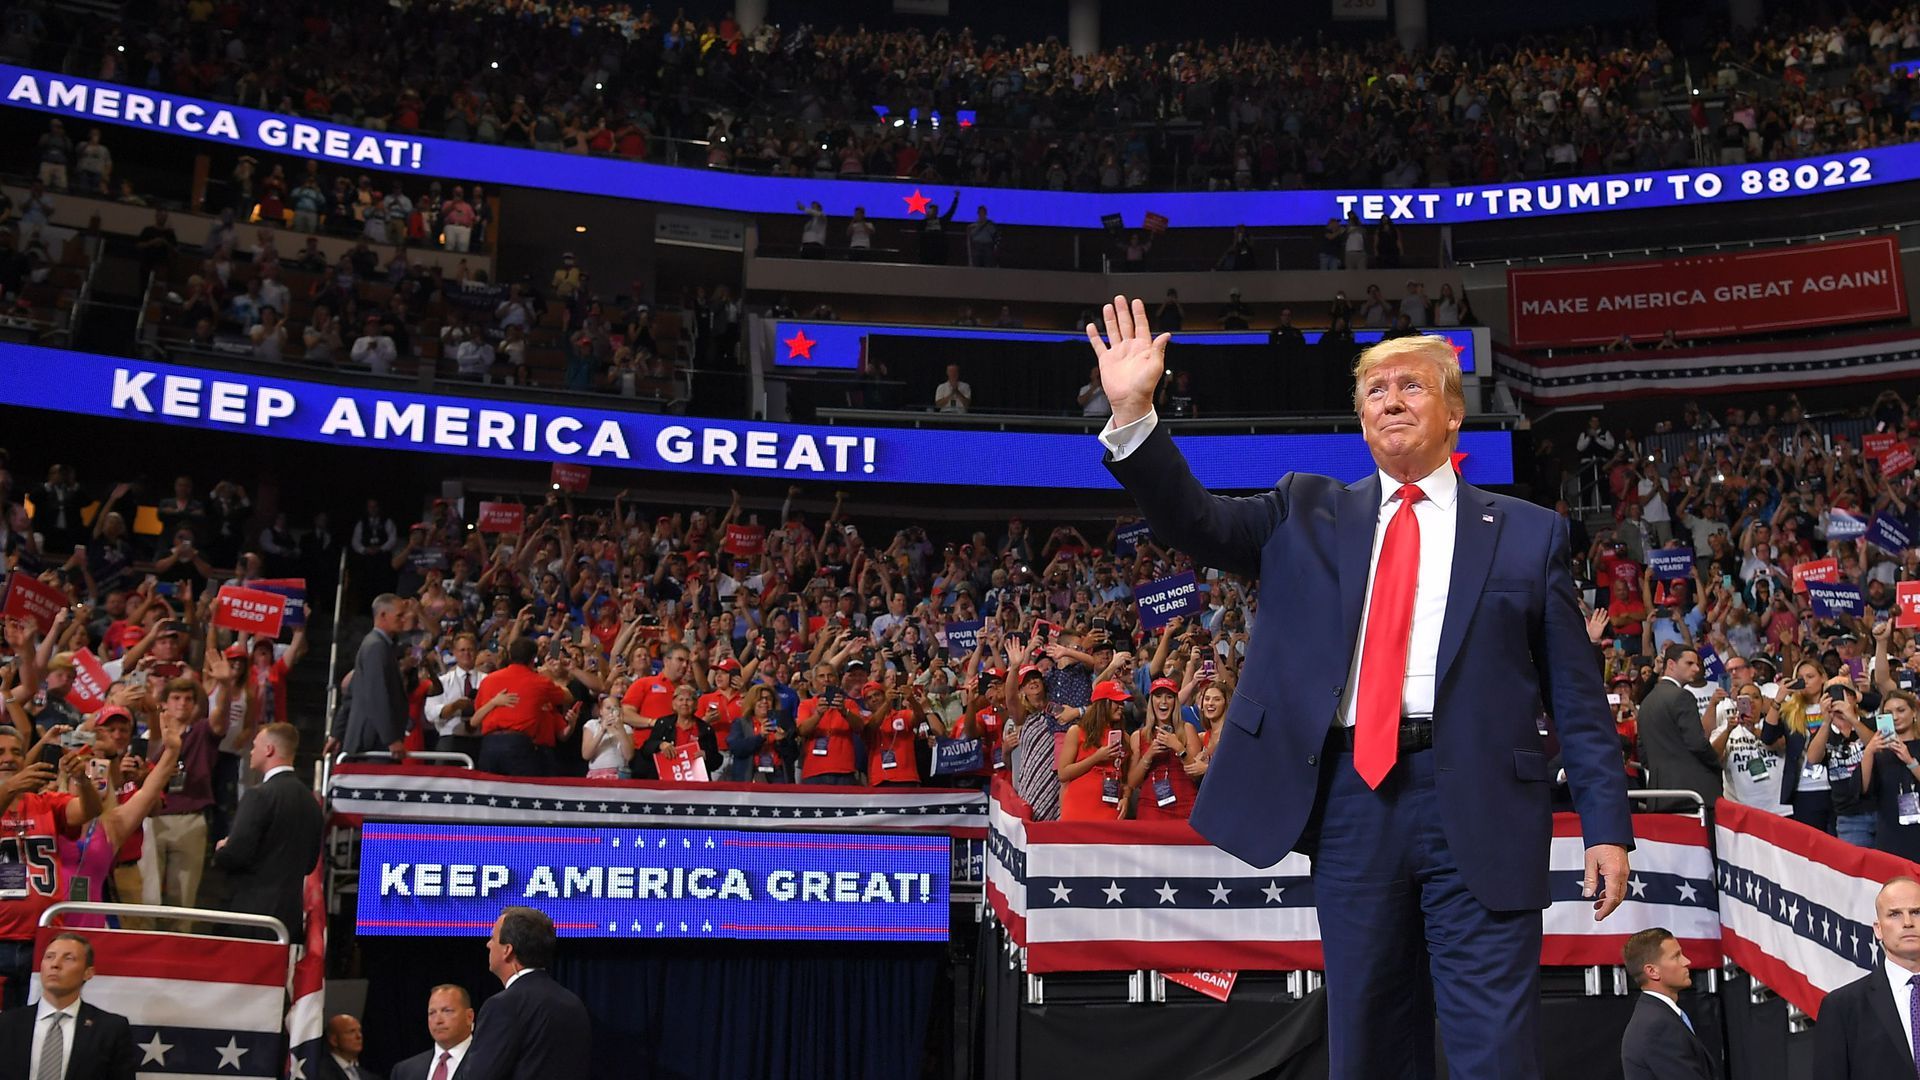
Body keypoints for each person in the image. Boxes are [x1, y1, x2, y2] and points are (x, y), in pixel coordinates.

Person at [1087, 297, 1631, 1079]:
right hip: (1352, 804)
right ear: (1361, 419)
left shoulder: (1528, 532)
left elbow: (1576, 696)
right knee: (1369, 1042)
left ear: (1453, 414)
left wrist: (1607, 826)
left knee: (1496, 1050)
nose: (1390, 400)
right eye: (1375, 390)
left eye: (1411, 385)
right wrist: (1136, 415)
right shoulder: (1304, 510)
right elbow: (1194, 523)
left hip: (1482, 801)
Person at [213, 723, 324, 940]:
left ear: (269, 750)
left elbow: (235, 855)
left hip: (250, 919)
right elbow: (310, 864)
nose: (251, 752)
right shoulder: (311, 803)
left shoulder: (259, 796)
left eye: (255, 746)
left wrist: (222, 848)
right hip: (288, 921)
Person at [459, 907, 591, 1080]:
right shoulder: (573, 1004)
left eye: (493, 938)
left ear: (507, 950)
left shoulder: (503, 1006)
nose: (488, 944)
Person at [1811, 876, 1920, 1077]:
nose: (1907, 922)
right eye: (1895, 914)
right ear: (1878, 929)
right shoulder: (1842, 1007)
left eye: (1916, 912)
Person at [0, 933, 138, 1080]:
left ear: (88, 973)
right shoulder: (6, 1024)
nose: (55, 964)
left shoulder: (111, 1029)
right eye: (49, 957)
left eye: (68, 958)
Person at [1618, 928, 1712, 1080]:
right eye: (1676, 956)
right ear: (1652, 971)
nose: (1687, 962)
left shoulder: (1656, 1017)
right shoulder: (1657, 1026)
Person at [1635, 645, 1723, 806]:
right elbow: (1697, 744)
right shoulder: (1683, 696)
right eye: (1689, 663)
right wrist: (1717, 762)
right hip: (1692, 794)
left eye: (1697, 664)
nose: (1696, 669)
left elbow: (1643, 754)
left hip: (1659, 797)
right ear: (1671, 664)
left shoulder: (1646, 702)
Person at [475, 637, 573, 777]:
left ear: (510, 655)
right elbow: (568, 697)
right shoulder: (540, 682)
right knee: (522, 789)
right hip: (518, 745)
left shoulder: (488, 680)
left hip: (488, 745)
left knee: (489, 789)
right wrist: (549, 676)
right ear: (533, 659)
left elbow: (477, 714)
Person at [330, 595, 409, 758]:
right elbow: (377, 694)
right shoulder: (376, 647)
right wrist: (391, 738)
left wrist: (337, 733)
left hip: (371, 739)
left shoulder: (377, 644)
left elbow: (352, 694)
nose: (404, 620)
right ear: (383, 615)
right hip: (374, 741)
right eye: (399, 615)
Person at [1056, 681, 1129, 821]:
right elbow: (1063, 773)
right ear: (1102, 704)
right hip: (1078, 808)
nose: (1121, 706)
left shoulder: (1124, 737)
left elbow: (1125, 779)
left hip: (1109, 808)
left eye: (1122, 703)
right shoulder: (1077, 731)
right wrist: (1096, 757)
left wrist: (1126, 797)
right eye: (1117, 702)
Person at [391, 985, 474, 1080]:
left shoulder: (485, 1063)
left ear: (469, 1017)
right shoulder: (404, 1071)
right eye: (432, 1013)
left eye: (447, 1011)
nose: (438, 1020)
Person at [315, 1014, 382, 1080]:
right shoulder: (317, 1072)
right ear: (334, 1040)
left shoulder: (370, 1077)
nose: (359, 1036)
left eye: (360, 1031)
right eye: (351, 1031)